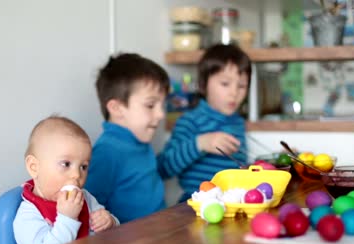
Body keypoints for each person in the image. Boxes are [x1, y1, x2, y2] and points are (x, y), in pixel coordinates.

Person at [13, 116, 119, 244]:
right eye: (66, 164)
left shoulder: (85, 198)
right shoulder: (28, 215)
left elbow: (112, 234)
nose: (77, 174)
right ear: (34, 167)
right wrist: (67, 219)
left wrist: (110, 222)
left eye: (83, 166)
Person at [157, 44, 252, 203]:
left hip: (233, 204)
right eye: (225, 84)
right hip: (195, 206)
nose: (234, 93)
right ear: (203, 84)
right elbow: (163, 168)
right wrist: (200, 143)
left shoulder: (238, 123)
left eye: (241, 86)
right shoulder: (190, 121)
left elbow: (236, 168)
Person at [84, 53, 169, 223]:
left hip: (159, 233)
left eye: (162, 105)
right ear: (116, 108)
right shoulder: (107, 152)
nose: (161, 114)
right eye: (150, 105)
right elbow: (88, 212)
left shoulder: (140, 141)